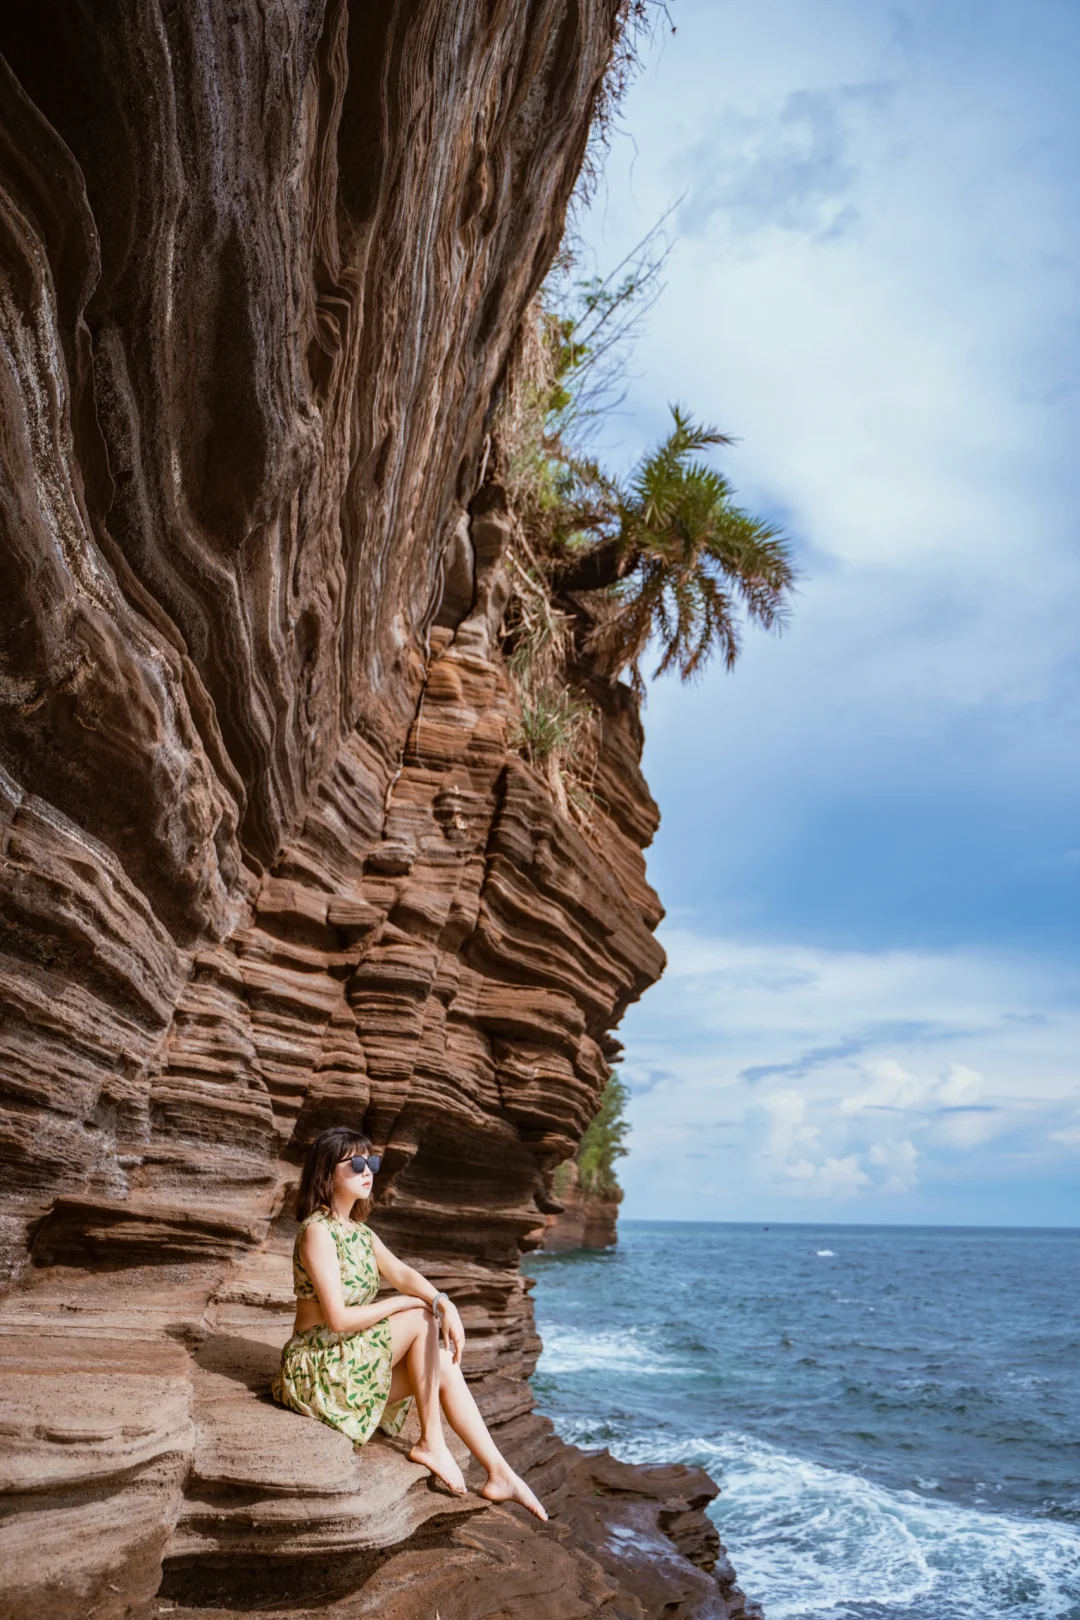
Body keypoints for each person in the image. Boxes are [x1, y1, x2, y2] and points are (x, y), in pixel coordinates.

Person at [272, 1124, 547, 1519]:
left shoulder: (360, 1233)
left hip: (344, 1362)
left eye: (374, 1162)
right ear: (327, 1171)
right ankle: (431, 1442)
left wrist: (442, 1301)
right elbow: (338, 1320)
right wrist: (408, 1304)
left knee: (445, 1367)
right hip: (316, 1366)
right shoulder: (317, 1231)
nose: (369, 1171)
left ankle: (500, 1474)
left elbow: (403, 1274)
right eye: (358, 1163)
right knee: (418, 1318)